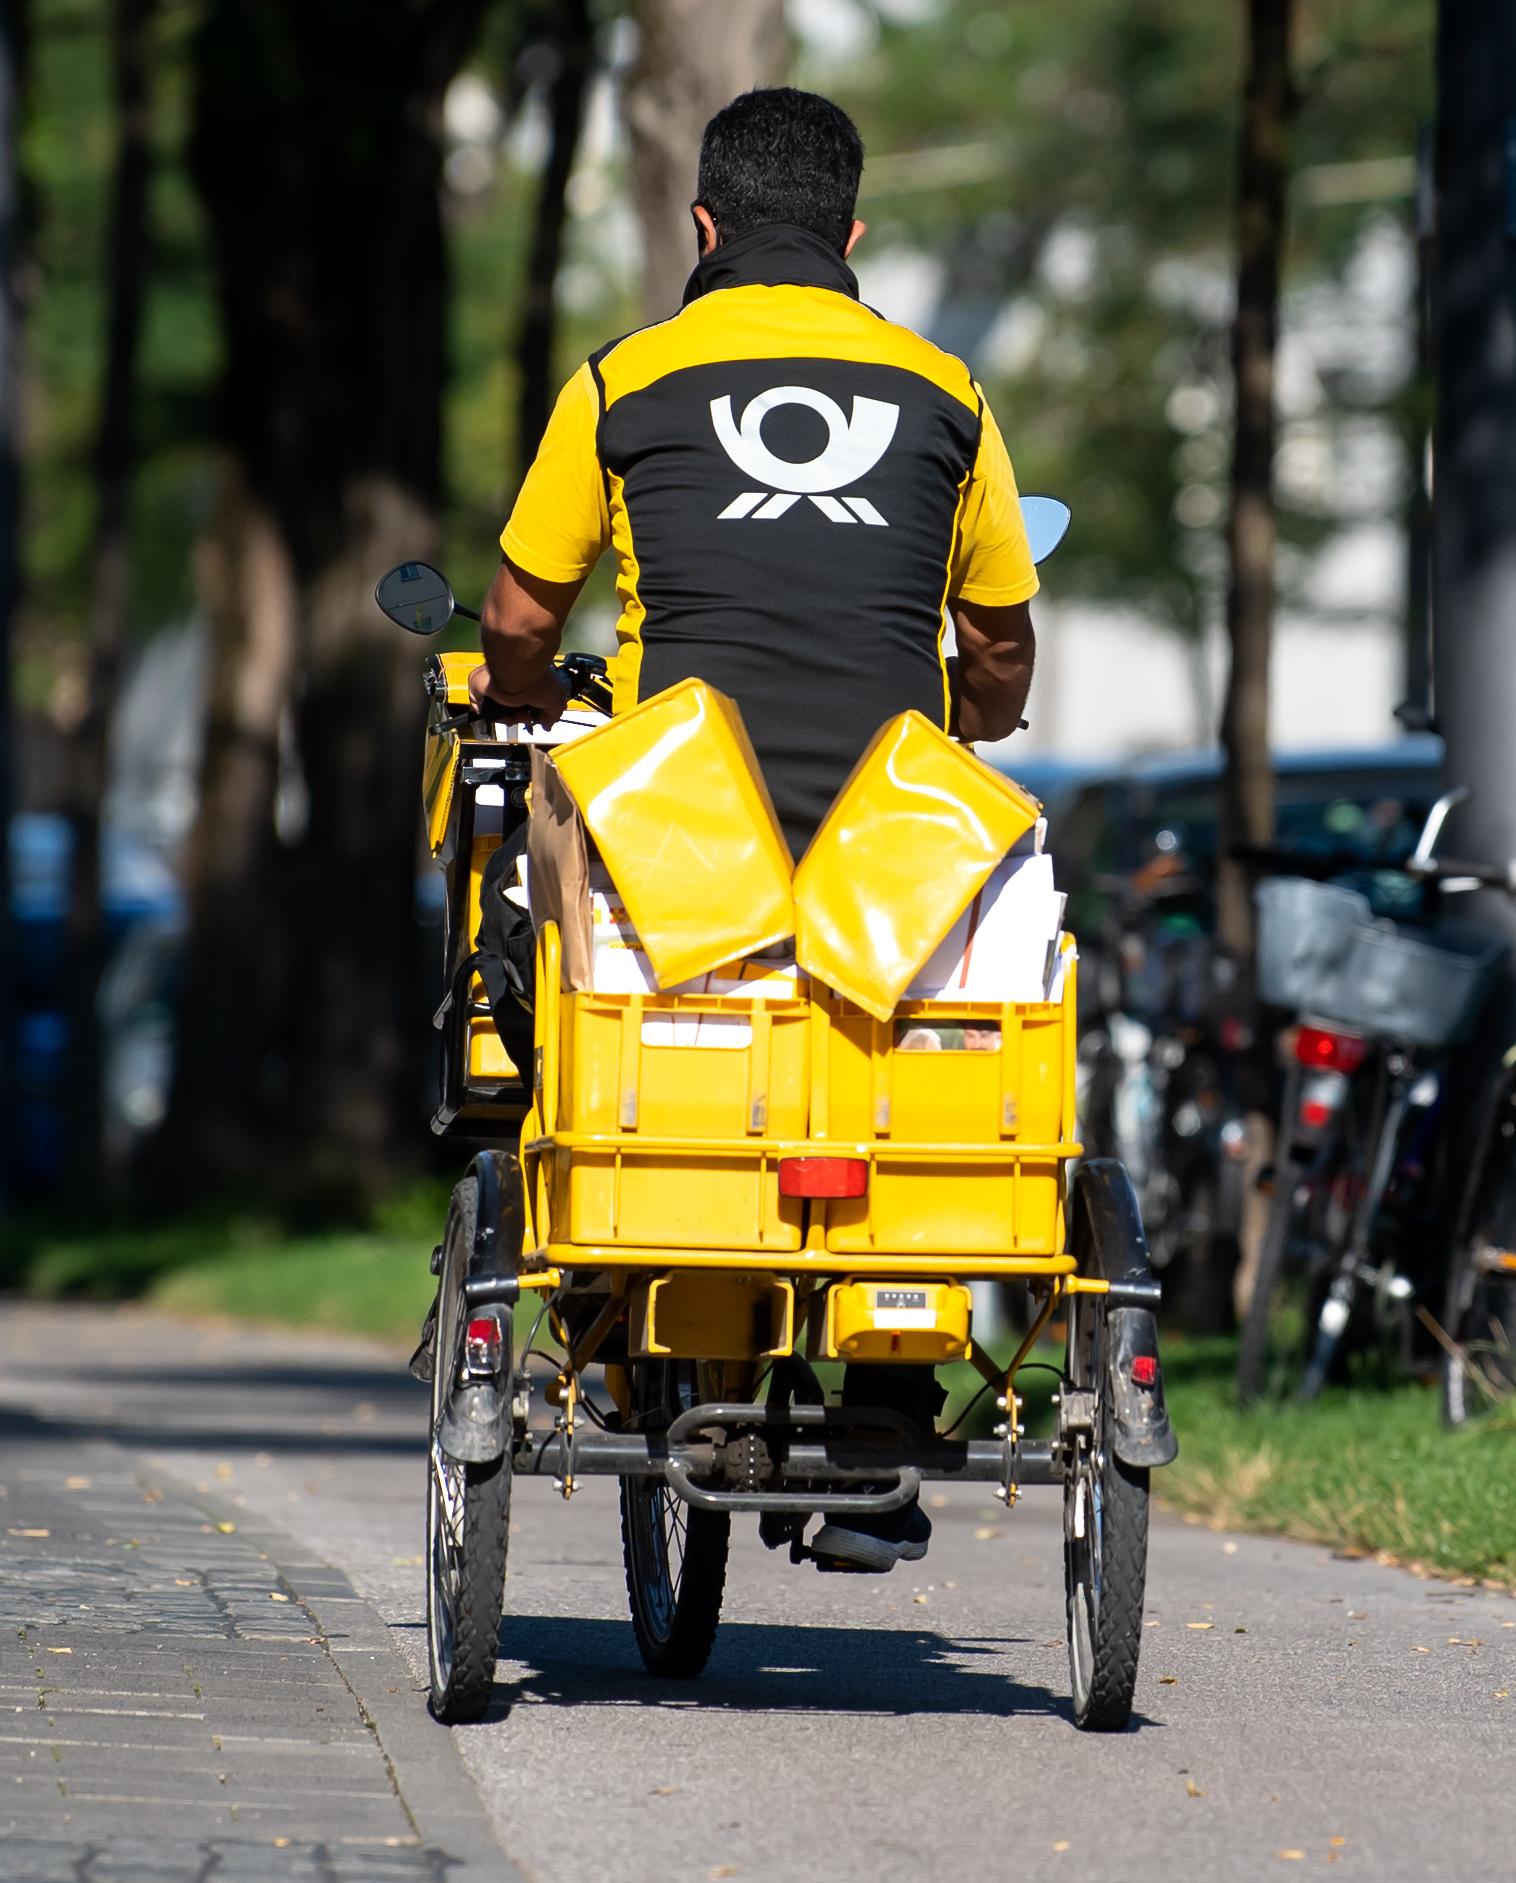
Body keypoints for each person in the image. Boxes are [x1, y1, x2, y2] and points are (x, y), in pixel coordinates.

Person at [475, 87, 1037, 1574]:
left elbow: (521, 616)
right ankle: (892, 1386)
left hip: (691, 828)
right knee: (929, 1018)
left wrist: (524, 693)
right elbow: (997, 646)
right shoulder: (946, 393)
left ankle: (627, 1242)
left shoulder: (624, 379)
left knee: (529, 866)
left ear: (703, 227)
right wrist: (975, 721)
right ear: (855, 234)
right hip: (890, 833)